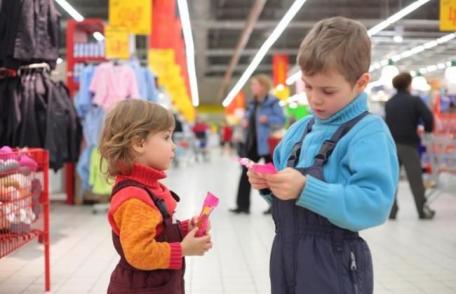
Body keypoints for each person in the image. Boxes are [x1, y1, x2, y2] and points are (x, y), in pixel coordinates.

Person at [247, 17, 399, 294]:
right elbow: (285, 192)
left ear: (361, 82)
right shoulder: (297, 132)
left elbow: (374, 204)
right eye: (308, 86)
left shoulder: (367, 133)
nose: (315, 99)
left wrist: (307, 189)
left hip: (334, 264)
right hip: (285, 256)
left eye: (328, 91)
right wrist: (268, 185)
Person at [99, 100, 212, 294]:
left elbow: (158, 230)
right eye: (167, 137)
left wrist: (186, 228)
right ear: (139, 143)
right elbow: (139, 252)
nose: (174, 146)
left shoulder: (149, 187)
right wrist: (183, 249)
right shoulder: (134, 199)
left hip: (155, 283)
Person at [230, 74, 286, 215]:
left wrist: (267, 119)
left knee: (271, 176)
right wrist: (244, 121)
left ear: (263, 86)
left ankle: (274, 206)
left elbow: (281, 120)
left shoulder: (273, 102)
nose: (253, 87)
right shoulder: (252, 103)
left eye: (255, 84)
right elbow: (248, 118)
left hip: (267, 144)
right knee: (246, 173)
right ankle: (242, 205)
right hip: (252, 143)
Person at [385, 72, 435, 220]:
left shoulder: (390, 102)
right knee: (415, 179)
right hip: (409, 144)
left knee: (392, 179)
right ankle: (422, 211)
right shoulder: (415, 101)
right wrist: (427, 130)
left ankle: (392, 211)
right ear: (408, 84)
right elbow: (428, 117)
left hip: (392, 145)